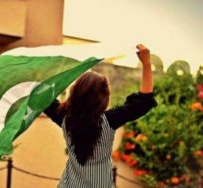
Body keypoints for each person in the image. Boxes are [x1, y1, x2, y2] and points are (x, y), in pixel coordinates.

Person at [44, 44, 158, 188]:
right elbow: (144, 101)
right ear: (103, 99)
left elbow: (40, 93)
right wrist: (147, 63)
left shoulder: (64, 117)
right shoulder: (110, 120)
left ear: (74, 93)